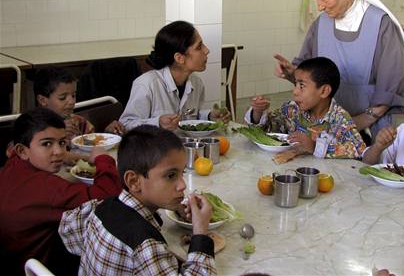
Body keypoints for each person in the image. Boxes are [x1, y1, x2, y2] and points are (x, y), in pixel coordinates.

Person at [274, 0, 404, 140]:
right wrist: (292, 72)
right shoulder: (321, 24)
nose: (320, 7)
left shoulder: (379, 24)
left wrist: (361, 120)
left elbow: (392, 84)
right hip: (328, 120)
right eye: (317, 0)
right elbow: (309, 73)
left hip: (372, 122)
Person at [59, 125, 217, 275]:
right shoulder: (146, 245)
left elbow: (66, 230)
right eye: (171, 176)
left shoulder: (99, 206)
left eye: (182, 173)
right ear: (133, 181)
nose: (182, 185)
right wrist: (201, 233)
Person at [0, 107, 122, 275]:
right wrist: (103, 159)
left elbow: (54, 153)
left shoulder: (14, 164)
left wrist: (77, 157)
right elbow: (108, 197)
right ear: (23, 150)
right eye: (47, 144)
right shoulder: (48, 188)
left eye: (62, 142)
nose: (58, 152)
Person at [245, 57, 365, 161]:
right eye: (296, 84)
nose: (295, 91)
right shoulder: (292, 110)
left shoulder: (340, 119)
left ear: (324, 91)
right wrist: (258, 112)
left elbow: (359, 150)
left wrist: (315, 147)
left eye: (302, 86)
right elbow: (266, 130)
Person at [119, 20, 231, 131]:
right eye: (199, 47)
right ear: (179, 58)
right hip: (153, 148)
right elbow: (125, 124)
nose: (206, 50)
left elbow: (192, 118)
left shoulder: (197, 83)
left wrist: (209, 116)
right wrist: (157, 123)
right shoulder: (147, 84)